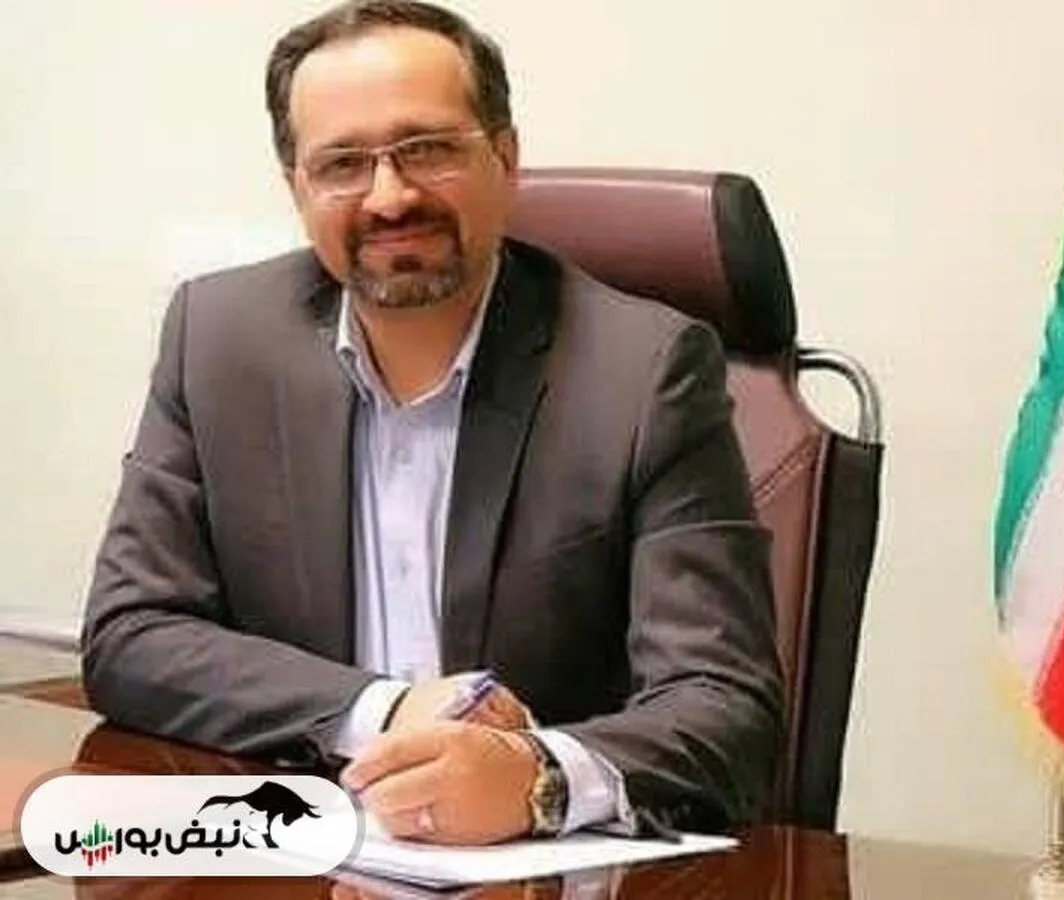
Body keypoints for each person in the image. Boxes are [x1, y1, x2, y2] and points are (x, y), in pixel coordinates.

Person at [81, 0, 783, 846]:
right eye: (343, 163)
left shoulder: (644, 371)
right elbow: (131, 634)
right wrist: (380, 710)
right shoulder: (218, 339)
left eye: (428, 148)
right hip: (307, 851)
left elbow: (725, 707)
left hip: (546, 870)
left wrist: (537, 777)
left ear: (506, 158)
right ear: (297, 187)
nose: (390, 197)